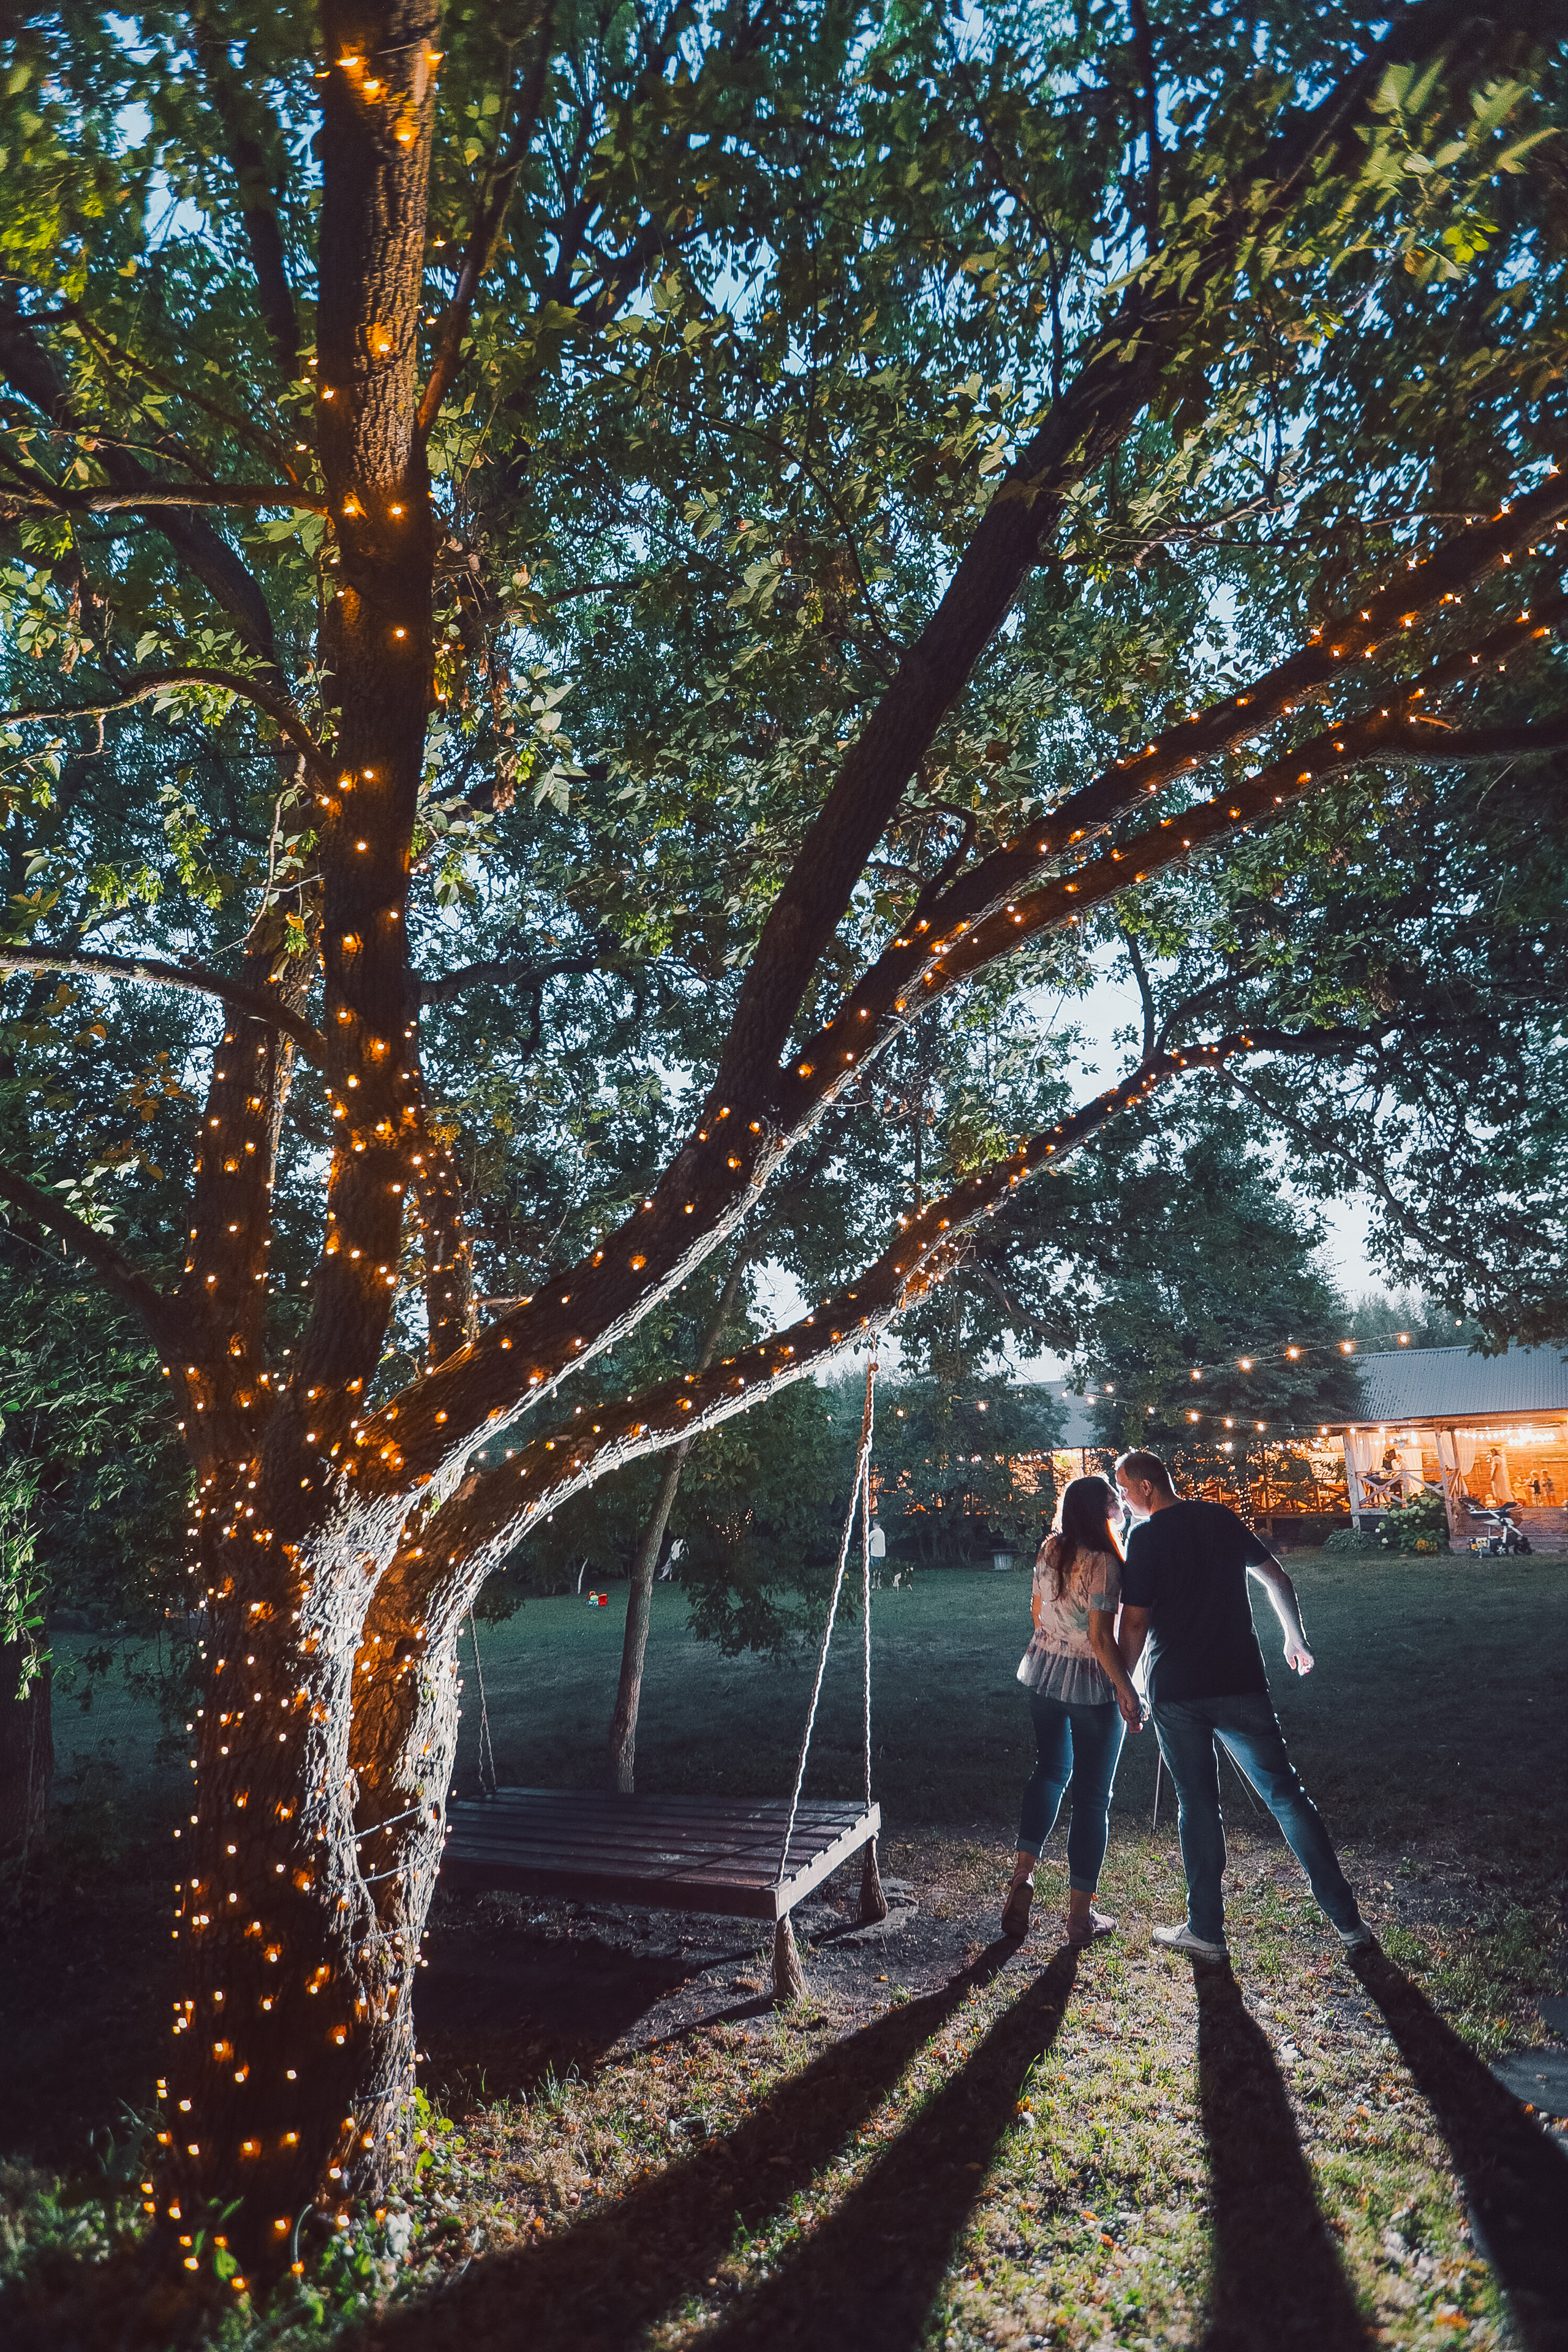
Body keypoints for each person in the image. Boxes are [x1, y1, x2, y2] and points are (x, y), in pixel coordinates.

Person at [1115, 1449, 1371, 1961]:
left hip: (1177, 1689)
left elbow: (1136, 1622)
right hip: (1240, 1679)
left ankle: (1206, 1931)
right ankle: (1349, 1925)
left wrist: (1124, 1681)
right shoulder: (1218, 1516)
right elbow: (1277, 1577)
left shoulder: (1143, 1537)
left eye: (1123, 1487)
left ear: (1146, 1486)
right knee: (1287, 1796)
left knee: (1198, 1806)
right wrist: (1295, 1639)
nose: (1122, 1497)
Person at [1001, 1475, 1144, 1945]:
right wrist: (1127, 1689)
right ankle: (1080, 1919)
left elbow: (1037, 1610)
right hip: (1092, 1683)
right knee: (1092, 1798)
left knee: (1049, 1773)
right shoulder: (1104, 1563)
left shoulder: (1050, 1549)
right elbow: (1103, 1639)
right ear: (1100, 1510)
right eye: (1112, 1497)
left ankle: (1024, 1874)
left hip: (1044, 1670)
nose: (1120, 1501)